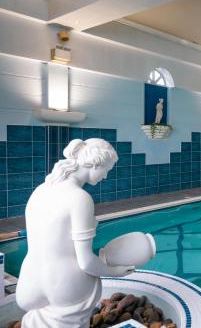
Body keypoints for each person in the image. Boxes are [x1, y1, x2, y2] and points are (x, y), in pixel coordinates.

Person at [16, 139, 134, 328]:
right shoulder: (80, 198)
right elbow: (86, 262)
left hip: (29, 282)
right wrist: (115, 272)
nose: (105, 176)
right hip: (64, 287)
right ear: (96, 164)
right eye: (107, 170)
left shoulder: (40, 190)